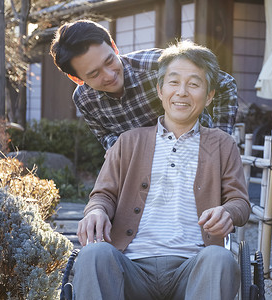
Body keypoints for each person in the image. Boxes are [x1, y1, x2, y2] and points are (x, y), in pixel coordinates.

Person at [71, 40, 251, 300]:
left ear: (209, 95)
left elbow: (240, 202)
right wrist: (96, 211)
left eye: (194, 84)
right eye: (174, 82)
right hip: (130, 266)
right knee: (93, 254)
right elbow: (103, 195)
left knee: (219, 257)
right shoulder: (128, 141)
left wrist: (227, 212)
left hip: (193, 266)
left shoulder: (221, 143)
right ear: (160, 90)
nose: (182, 92)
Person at [50, 20, 238, 151]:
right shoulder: (84, 99)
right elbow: (105, 135)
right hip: (146, 173)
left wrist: (219, 140)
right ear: (77, 79)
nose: (109, 75)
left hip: (197, 153)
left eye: (109, 61)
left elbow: (225, 84)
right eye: (94, 74)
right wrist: (118, 150)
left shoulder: (157, 64)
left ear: (114, 47)